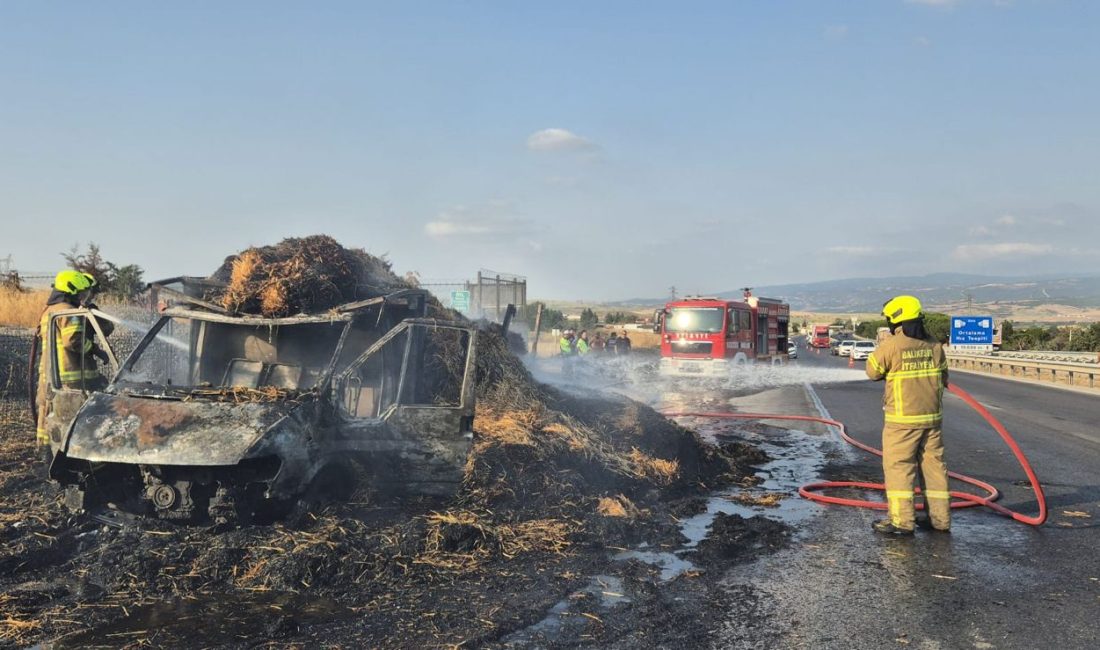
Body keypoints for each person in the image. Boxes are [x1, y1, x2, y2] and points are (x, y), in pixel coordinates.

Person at [865, 295, 951, 536]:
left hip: (902, 422)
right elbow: (944, 377)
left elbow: (872, 371)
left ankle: (902, 522)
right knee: (934, 469)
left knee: (899, 469)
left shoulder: (893, 346)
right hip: (932, 420)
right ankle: (940, 520)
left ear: (896, 319)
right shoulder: (934, 344)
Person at [35, 270, 111, 454]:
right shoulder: (68, 311)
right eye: (80, 293)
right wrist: (96, 349)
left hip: (50, 374)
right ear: (70, 291)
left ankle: (45, 453)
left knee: (47, 415)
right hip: (71, 376)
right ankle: (71, 455)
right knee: (73, 420)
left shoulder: (49, 311)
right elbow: (73, 341)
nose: (82, 297)